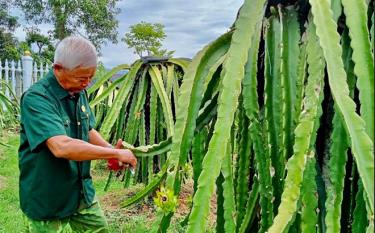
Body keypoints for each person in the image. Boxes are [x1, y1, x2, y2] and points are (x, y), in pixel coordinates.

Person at [18, 36, 137, 232]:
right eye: (82, 78)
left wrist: (110, 149)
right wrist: (114, 154)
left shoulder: (77, 91)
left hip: (80, 192)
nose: (87, 84)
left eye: (90, 77)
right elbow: (61, 146)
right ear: (58, 69)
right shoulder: (37, 99)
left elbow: (87, 129)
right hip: (48, 196)